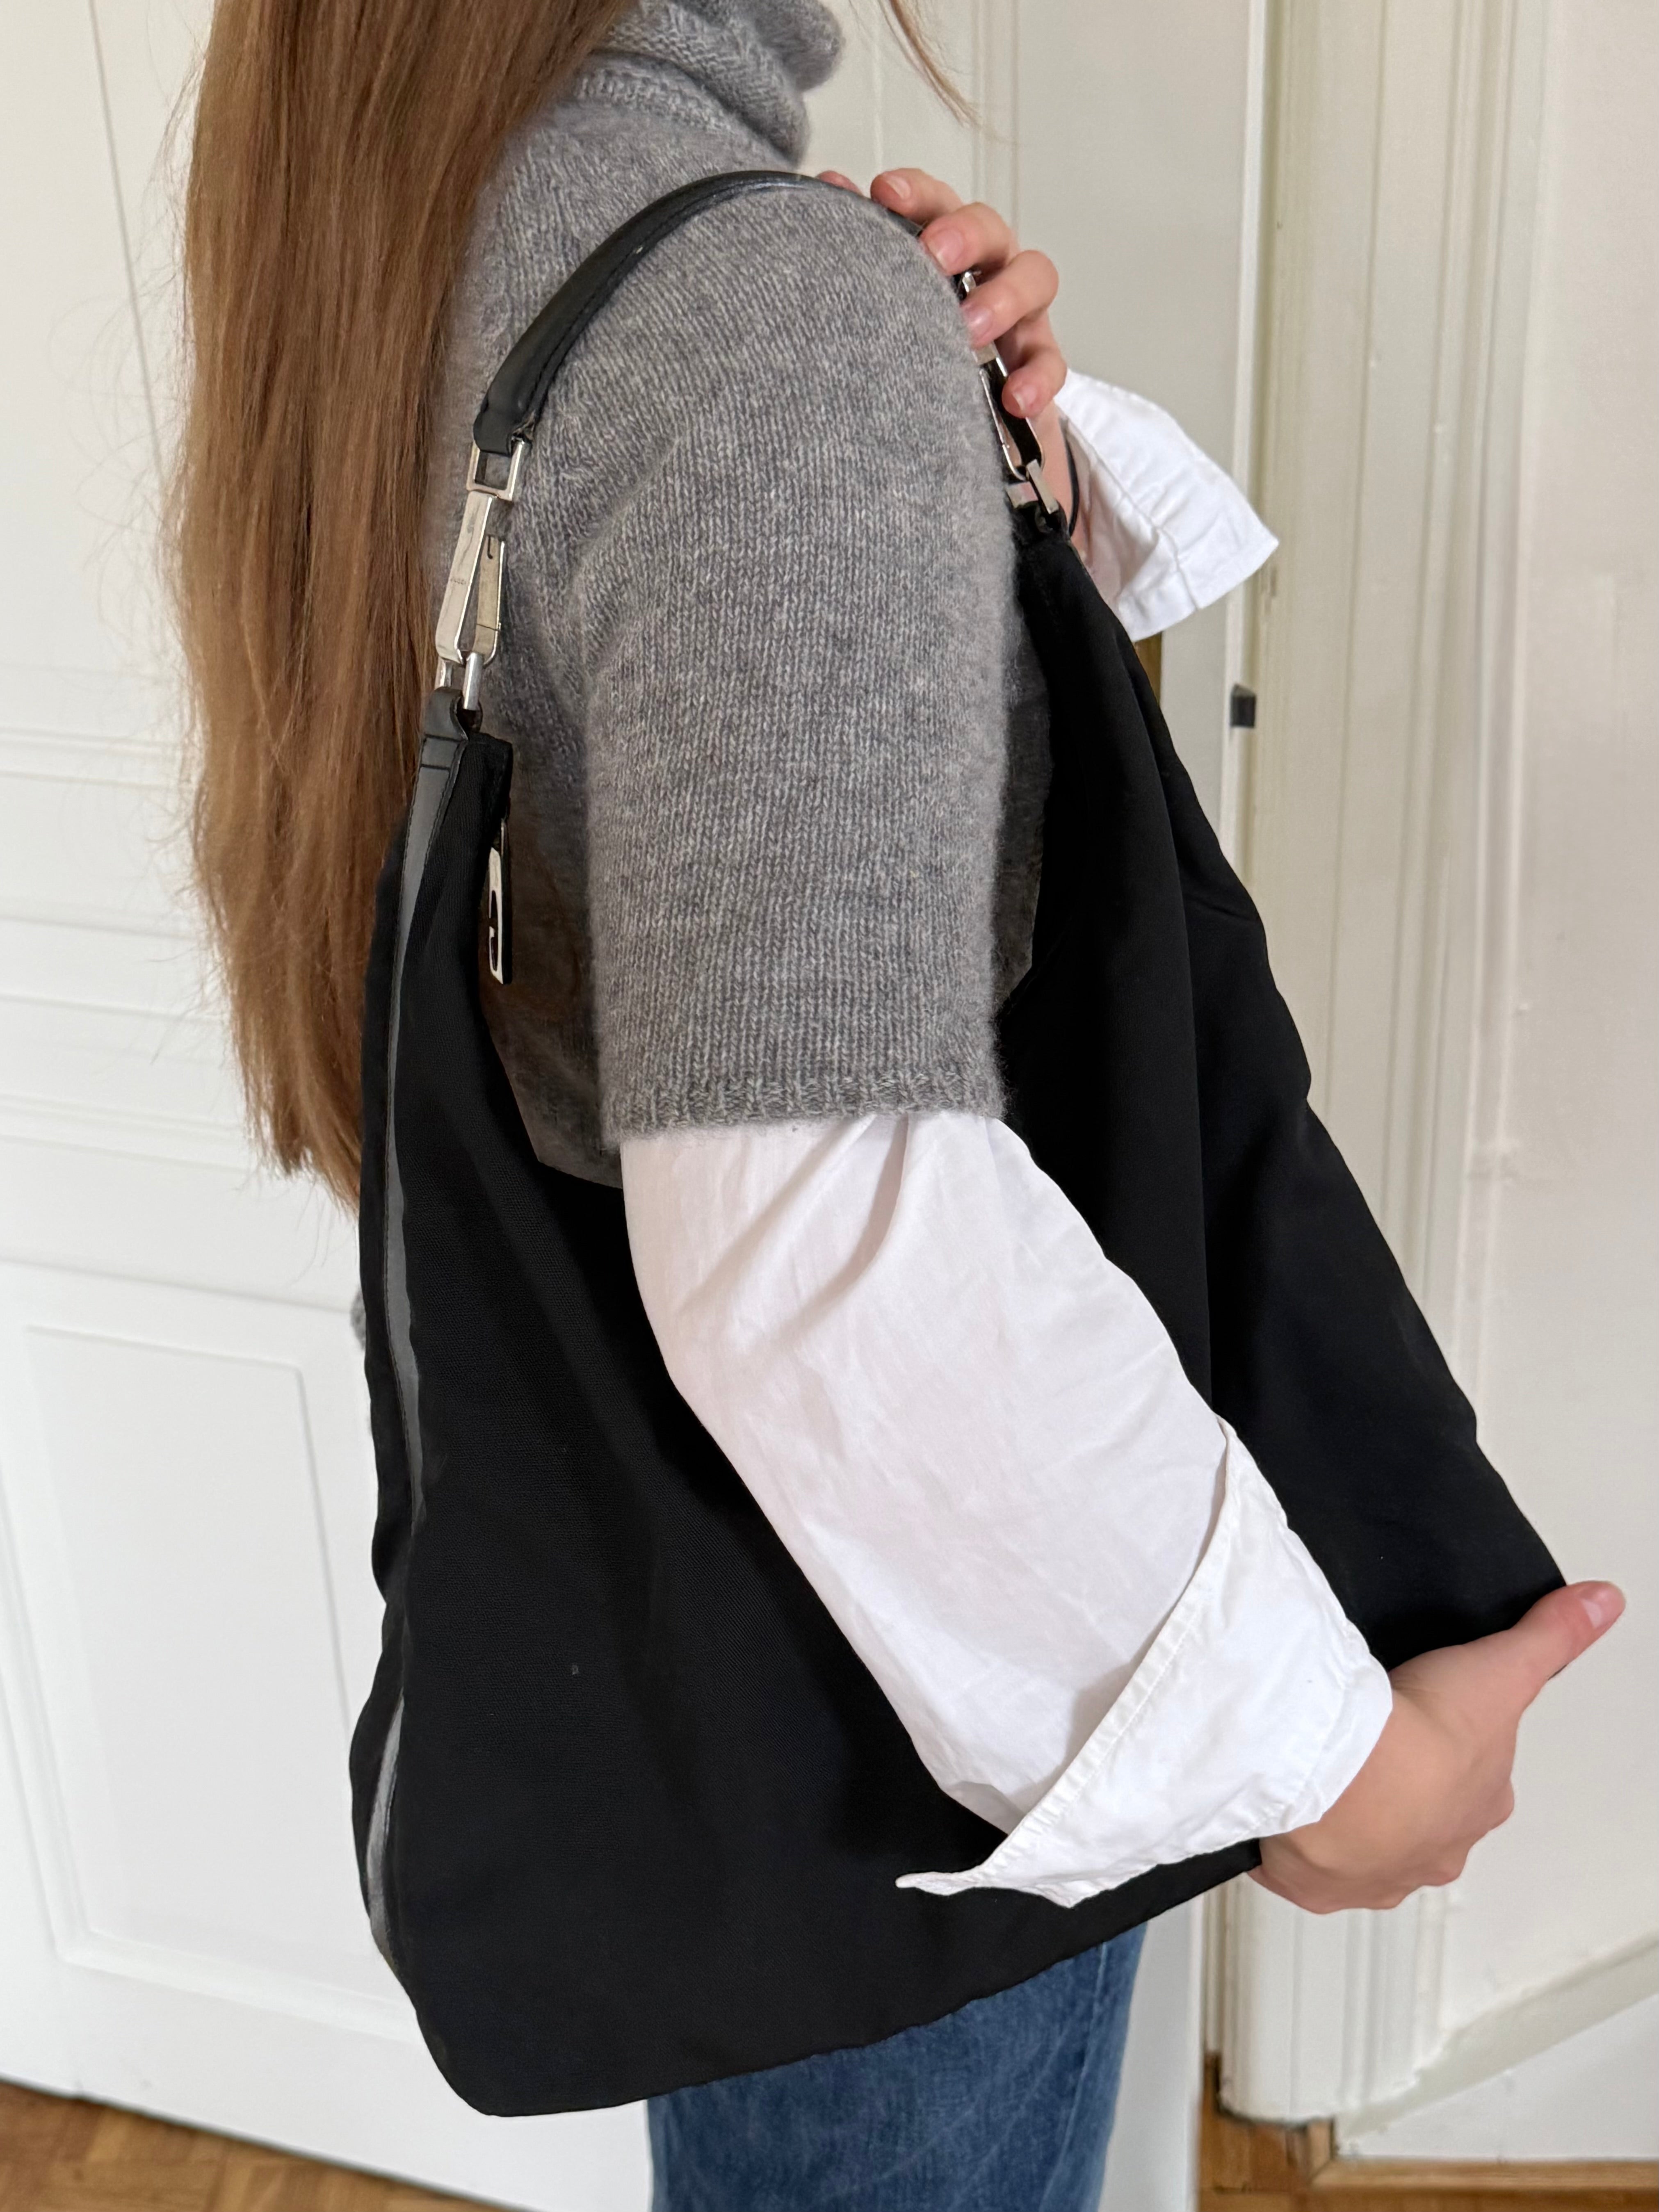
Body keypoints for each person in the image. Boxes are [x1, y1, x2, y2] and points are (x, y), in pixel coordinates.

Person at [171, 2, 1622, 2205]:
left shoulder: (426, 232)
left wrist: (970, 477)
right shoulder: (739, 297)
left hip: (747, 1655)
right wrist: (1335, 1767)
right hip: (913, 1705)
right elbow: (825, 1246)